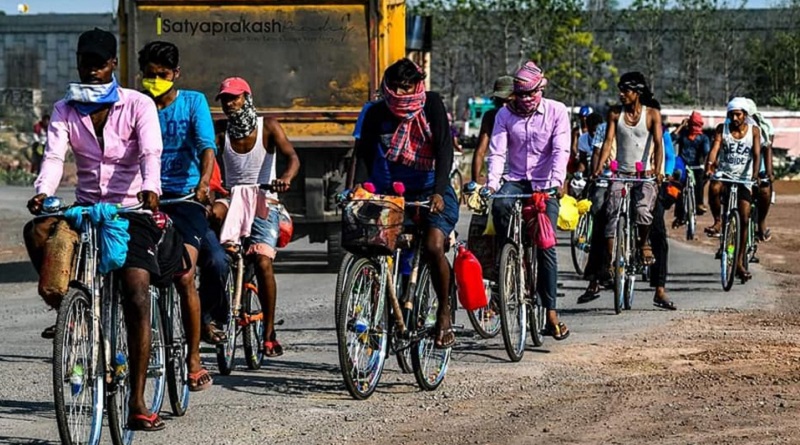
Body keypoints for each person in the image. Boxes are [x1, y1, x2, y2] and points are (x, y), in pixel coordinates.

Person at [24, 28, 166, 431]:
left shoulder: (138, 104)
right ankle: (70, 309)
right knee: (38, 232)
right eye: (85, 63)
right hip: (85, 208)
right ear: (78, 63)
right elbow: (54, 156)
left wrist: (152, 188)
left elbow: (151, 150)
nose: (91, 70)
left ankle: (137, 401)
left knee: (136, 290)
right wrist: (43, 192)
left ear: (113, 65)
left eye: (99, 64)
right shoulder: (64, 108)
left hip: (130, 209)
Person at [354, 58, 459, 348]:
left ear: (416, 85)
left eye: (406, 87)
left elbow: (444, 150)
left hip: (430, 192)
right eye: (396, 87)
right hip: (393, 194)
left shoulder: (432, 104)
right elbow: (364, 153)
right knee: (374, 245)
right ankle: (381, 312)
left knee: (434, 246)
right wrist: (359, 188)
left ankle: (444, 312)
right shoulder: (377, 112)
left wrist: (438, 191)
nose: (401, 93)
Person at [138, 41, 218, 391]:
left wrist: (203, 184)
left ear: (176, 74)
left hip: (185, 198)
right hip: (146, 199)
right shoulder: (136, 104)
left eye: (163, 75)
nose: (156, 81)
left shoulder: (193, 102)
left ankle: (194, 358)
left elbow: (206, 148)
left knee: (185, 275)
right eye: (150, 75)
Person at [213, 76, 300, 356]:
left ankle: (270, 332)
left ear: (247, 98)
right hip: (232, 198)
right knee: (215, 247)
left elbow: (292, 158)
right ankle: (215, 313)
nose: (229, 104)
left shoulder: (268, 127)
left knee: (263, 262)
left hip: (264, 198)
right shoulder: (220, 132)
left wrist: (284, 178)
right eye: (225, 99)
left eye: (234, 98)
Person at [486, 61, 571, 340]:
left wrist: (557, 181)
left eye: (529, 94)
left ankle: (551, 312)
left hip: (546, 185)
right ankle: (510, 257)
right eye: (519, 95)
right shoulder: (504, 115)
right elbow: (497, 152)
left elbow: (561, 149)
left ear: (541, 90)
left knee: (546, 247)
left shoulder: (557, 112)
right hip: (516, 180)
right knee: (499, 205)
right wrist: (491, 183)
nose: (524, 100)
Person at [593, 71, 664, 268]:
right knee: (611, 213)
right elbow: (608, 142)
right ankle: (611, 262)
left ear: (637, 92)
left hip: (644, 175)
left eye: (626, 90)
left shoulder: (652, 115)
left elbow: (658, 144)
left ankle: (643, 244)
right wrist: (599, 167)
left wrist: (658, 171)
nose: (622, 94)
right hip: (621, 174)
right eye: (620, 90)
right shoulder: (616, 113)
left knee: (642, 211)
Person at [705, 97, 761, 281]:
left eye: (738, 114)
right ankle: (717, 220)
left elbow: (757, 154)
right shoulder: (723, 128)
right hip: (726, 174)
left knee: (744, 217)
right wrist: (711, 165)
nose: (734, 118)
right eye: (732, 114)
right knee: (714, 187)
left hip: (744, 178)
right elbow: (715, 148)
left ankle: (738, 262)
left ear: (745, 115)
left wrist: (755, 175)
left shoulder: (754, 130)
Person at [470, 75, 513, 184]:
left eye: (507, 101)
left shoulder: (524, 116)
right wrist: (476, 181)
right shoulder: (491, 116)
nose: (503, 105)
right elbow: (480, 151)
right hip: (497, 173)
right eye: (499, 101)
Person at [743, 99, 774, 244]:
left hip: (758, 168)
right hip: (738, 170)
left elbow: (767, 148)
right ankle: (726, 233)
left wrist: (769, 172)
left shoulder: (763, 127)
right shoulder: (729, 126)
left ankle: (761, 222)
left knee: (765, 191)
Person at [671, 111, 710, 216]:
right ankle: (683, 213)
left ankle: (698, 204)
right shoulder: (684, 134)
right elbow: (671, 140)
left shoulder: (703, 138)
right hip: (683, 165)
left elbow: (707, 151)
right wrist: (681, 126)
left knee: (699, 182)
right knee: (680, 186)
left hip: (697, 166)